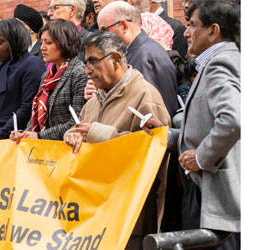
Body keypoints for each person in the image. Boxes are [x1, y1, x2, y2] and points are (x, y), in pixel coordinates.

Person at [144, 1, 241, 249]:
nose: (186, 33)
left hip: (216, 196)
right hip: (209, 194)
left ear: (213, 30)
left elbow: (233, 120)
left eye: (193, 25)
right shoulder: (217, 62)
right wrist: (167, 135)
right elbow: (205, 127)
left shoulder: (220, 63)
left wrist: (201, 158)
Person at [65, 30, 171, 250]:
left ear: (115, 59)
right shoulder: (92, 103)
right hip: (95, 213)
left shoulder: (145, 95)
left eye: (93, 62)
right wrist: (71, 137)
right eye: (86, 63)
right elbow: (81, 133)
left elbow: (153, 151)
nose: (87, 71)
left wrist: (100, 134)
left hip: (131, 218)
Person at [86, 1, 179, 118]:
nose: (101, 39)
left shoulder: (147, 57)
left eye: (104, 31)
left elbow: (154, 117)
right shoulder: (133, 53)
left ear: (124, 26)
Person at [10, 19, 87, 143]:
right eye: (41, 42)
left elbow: (76, 123)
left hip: (67, 150)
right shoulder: (46, 76)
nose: (42, 48)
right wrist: (25, 133)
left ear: (65, 43)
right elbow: (35, 115)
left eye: (48, 42)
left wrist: (40, 136)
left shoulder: (79, 73)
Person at [0, 18, 46, 142]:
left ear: (15, 40)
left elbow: (27, 108)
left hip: (16, 139)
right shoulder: (1, 66)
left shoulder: (32, 64)